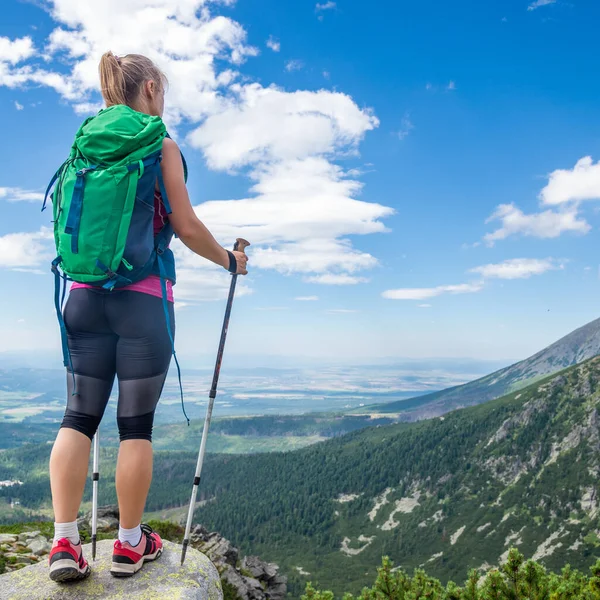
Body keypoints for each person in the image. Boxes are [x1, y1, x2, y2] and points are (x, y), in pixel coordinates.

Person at [47, 51, 248, 582]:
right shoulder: (160, 145)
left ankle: (65, 542)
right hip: (144, 303)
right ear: (152, 88)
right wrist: (229, 260)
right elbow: (183, 223)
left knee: (77, 420)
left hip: (83, 300)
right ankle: (130, 544)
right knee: (135, 428)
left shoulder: (86, 146)